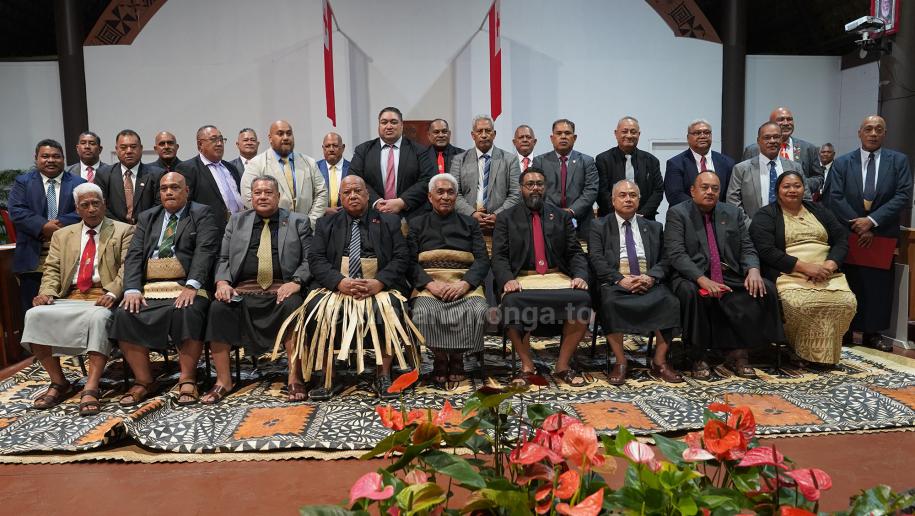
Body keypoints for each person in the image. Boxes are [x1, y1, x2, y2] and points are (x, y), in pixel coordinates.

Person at [283, 175, 420, 401]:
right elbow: (316, 259)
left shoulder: (389, 222)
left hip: (378, 287)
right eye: (347, 192)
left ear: (367, 195)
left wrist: (379, 282)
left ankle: (383, 375)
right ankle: (328, 376)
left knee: (392, 306)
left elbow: (401, 257)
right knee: (315, 307)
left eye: (358, 191)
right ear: (340, 198)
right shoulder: (326, 224)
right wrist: (339, 282)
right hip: (338, 287)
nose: (353, 196)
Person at [21, 183, 134, 414]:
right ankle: (59, 382)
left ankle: (91, 386)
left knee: (99, 319)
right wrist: (46, 293)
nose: (91, 209)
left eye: (96, 203)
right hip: (69, 295)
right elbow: (52, 269)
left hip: (103, 296)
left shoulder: (123, 231)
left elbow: (128, 268)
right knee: (34, 315)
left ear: (104, 205)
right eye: (85, 205)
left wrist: (113, 292)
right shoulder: (62, 235)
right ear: (77, 209)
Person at [108, 172, 219, 407]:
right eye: (164, 188)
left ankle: (187, 379)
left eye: (175, 187)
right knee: (124, 313)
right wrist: (131, 289)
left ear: (186, 191)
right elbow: (134, 255)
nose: (169, 192)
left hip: (187, 282)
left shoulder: (201, 213)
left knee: (188, 310)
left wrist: (192, 285)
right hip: (151, 285)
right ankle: (144, 380)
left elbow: (205, 250)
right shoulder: (148, 217)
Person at [665, 172, 784, 379]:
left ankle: (739, 352)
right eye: (704, 187)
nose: (710, 192)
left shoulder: (732, 212)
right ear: (692, 191)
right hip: (692, 275)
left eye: (715, 188)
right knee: (691, 293)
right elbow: (676, 254)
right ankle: (697, 354)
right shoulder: (678, 213)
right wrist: (702, 279)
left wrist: (753, 270)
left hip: (728, 273)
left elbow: (747, 246)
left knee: (763, 287)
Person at [204, 176, 312, 403]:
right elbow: (223, 258)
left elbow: (309, 259)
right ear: (250, 197)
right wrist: (222, 282)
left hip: (282, 288)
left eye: (268, 192)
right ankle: (223, 381)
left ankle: (295, 378)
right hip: (243, 290)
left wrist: (296, 282)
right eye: (257, 193)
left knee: (294, 306)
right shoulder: (236, 221)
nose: (262, 197)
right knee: (217, 309)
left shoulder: (298, 221)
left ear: (278, 196)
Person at [492, 167, 591, 387]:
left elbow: (575, 252)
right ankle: (527, 365)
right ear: (521, 188)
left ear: (545, 188)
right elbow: (499, 256)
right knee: (511, 301)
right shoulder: (506, 218)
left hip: (556, 275)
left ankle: (562, 366)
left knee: (582, 299)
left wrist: (580, 275)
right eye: (530, 184)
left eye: (539, 184)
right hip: (522, 277)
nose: (535, 188)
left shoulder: (561, 216)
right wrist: (507, 279)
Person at [749, 171, 856, 366]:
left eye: (797, 186)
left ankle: (826, 355)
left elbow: (841, 239)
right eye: (786, 186)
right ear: (777, 190)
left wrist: (830, 265)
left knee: (846, 302)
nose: (792, 190)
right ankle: (797, 350)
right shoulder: (766, 215)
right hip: (790, 273)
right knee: (801, 304)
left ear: (803, 189)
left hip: (827, 273)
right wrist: (805, 268)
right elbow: (766, 250)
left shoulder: (819, 210)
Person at [826, 115, 912, 351]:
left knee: (878, 285)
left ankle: (873, 333)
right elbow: (835, 196)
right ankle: (846, 329)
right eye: (868, 129)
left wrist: (872, 222)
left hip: (882, 232)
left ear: (885, 134)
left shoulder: (898, 161)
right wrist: (858, 224)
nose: (873, 133)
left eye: (878, 129)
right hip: (849, 232)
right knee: (850, 281)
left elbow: (903, 195)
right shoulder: (842, 162)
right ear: (860, 133)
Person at [589, 179, 682, 385]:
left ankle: (659, 361)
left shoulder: (654, 227)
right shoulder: (599, 225)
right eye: (622, 195)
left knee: (670, 301)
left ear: (639, 201)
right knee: (609, 303)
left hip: (647, 280)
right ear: (613, 200)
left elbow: (666, 258)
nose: (628, 199)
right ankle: (620, 361)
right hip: (615, 282)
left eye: (633, 195)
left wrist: (651, 277)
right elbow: (596, 259)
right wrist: (619, 279)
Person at [409, 174, 490, 385]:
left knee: (478, 310)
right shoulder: (416, 224)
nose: (445, 197)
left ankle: (457, 357)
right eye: (440, 192)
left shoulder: (470, 223)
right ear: (430, 197)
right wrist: (430, 284)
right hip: (430, 283)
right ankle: (439, 357)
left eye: (450, 192)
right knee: (422, 312)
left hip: (463, 282)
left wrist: (465, 284)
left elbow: (482, 259)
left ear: (456, 196)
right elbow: (408, 262)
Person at [9, 139, 85, 313]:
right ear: (36, 158)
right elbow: (17, 211)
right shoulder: (23, 182)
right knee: (33, 311)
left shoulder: (78, 183)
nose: (50, 160)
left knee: (66, 311)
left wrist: (57, 225)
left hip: (69, 257)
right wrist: (43, 226)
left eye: (56, 156)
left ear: (63, 159)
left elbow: (84, 211)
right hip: (32, 257)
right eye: (45, 156)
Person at [349, 107, 436, 218]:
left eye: (394, 122)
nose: (389, 126)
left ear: (402, 125)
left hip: (410, 215)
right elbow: (355, 178)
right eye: (384, 122)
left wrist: (402, 202)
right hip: (372, 215)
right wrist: (376, 202)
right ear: (379, 126)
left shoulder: (419, 150)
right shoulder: (363, 150)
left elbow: (427, 180)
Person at [240, 120, 328, 228]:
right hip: (272, 229)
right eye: (280, 134)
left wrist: (309, 222)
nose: (286, 137)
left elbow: (322, 193)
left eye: (289, 133)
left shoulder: (309, 163)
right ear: (270, 138)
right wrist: (274, 223)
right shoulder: (256, 164)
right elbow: (248, 197)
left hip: (306, 229)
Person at [450, 115, 521, 235]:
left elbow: (515, 194)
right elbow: (454, 194)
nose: (484, 135)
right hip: (467, 224)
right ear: (473, 135)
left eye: (488, 131)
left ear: (494, 134)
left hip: (501, 225)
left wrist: (497, 215)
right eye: (479, 131)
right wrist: (472, 213)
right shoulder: (459, 160)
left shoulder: (510, 160)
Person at [532, 119, 599, 237]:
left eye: (567, 133)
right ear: (552, 138)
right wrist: (554, 212)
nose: (563, 136)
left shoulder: (587, 161)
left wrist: (572, 211)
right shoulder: (540, 161)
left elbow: (591, 190)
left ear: (574, 137)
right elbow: (536, 190)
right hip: (548, 220)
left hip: (581, 221)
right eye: (559, 133)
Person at [727, 122, 803, 225]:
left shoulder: (795, 167)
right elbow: (733, 202)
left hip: (790, 228)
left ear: (781, 139)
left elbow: (805, 199)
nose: (772, 141)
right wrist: (752, 226)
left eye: (776, 137)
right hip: (752, 228)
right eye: (767, 137)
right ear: (758, 141)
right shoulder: (741, 169)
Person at [175, 125, 244, 232]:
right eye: (214, 139)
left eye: (221, 139)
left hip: (238, 228)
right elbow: (185, 206)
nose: (219, 143)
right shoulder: (188, 168)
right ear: (200, 144)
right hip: (209, 232)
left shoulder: (231, 167)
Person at [595, 116, 664, 220]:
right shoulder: (603, 160)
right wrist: (619, 215)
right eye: (624, 131)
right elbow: (601, 192)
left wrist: (641, 215)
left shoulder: (651, 161)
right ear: (616, 133)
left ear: (639, 134)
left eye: (633, 132)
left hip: (645, 219)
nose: (629, 135)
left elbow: (658, 191)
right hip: (611, 218)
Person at [742, 107, 824, 193]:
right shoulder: (753, 150)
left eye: (789, 119)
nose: (786, 123)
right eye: (781, 119)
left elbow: (819, 178)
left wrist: (800, 185)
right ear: (770, 123)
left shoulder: (808, 149)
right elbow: (744, 179)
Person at [95, 129, 160, 224]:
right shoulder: (103, 174)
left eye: (133, 147)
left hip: (147, 227)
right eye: (123, 147)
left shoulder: (156, 174)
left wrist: (142, 225)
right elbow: (101, 205)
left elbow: (158, 205)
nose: (129, 151)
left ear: (141, 148)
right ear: (117, 149)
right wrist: (121, 228)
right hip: (114, 228)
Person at [664, 119, 735, 206]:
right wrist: (703, 208)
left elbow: (730, 195)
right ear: (688, 138)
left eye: (706, 132)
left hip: (720, 213)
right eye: (697, 133)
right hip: (687, 212)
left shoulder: (727, 163)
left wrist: (717, 210)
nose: (702, 136)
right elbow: (675, 195)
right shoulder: (676, 163)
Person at [316, 132, 350, 214]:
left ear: (343, 147)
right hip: (321, 218)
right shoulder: (315, 168)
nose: (331, 149)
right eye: (327, 146)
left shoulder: (352, 168)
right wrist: (324, 210)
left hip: (347, 217)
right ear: (323, 148)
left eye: (335, 145)